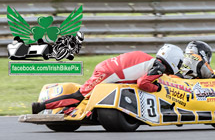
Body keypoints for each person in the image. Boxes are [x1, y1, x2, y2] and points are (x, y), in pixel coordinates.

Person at [32, 44, 184, 114]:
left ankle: (69, 110)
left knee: (85, 95)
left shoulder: (150, 60)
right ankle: (41, 106)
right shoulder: (159, 67)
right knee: (79, 96)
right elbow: (143, 83)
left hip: (107, 68)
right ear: (173, 59)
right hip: (107, 73)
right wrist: (157, 88)